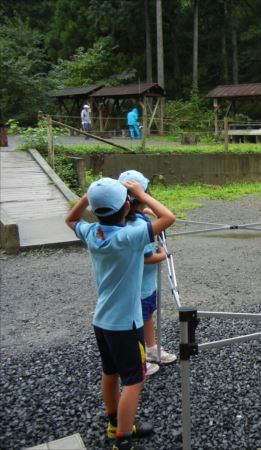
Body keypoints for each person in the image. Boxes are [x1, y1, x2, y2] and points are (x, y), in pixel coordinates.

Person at [66, 177, 176, 450]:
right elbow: (168, 217)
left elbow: (70, 220)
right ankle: (123, 439)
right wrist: (141, 193)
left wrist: (87, 197)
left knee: (110, 372)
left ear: (94, 209)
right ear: (128, 207)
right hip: (126, 324)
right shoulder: (130, 236)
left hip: (101, 320)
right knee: (135, 381)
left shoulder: (93, 233)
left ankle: (115, 422)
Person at [118, 169, 178, 374]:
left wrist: (144, 211)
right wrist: (163, 255)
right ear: (142, 196)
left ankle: (151, 349)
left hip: (145, 286)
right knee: (136, 322)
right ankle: (139, 359)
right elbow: (144, 258)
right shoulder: (135, 227)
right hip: (137, 288)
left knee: (147, 316)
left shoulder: (128, 218)